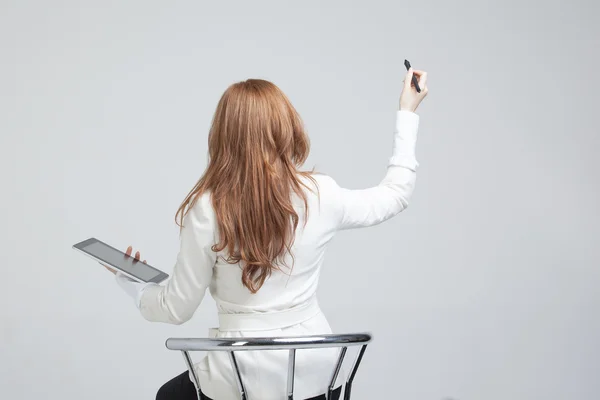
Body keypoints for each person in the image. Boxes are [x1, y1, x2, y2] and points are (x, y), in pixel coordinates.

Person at [111, 67, 428, 400]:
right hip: (316, 378)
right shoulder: (320, 194)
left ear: (222, 135)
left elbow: (176, 308)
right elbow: (395, 194)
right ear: (286, 127)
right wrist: (407, 111)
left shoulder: (207, 207)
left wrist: (133, 284)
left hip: (237, 382)